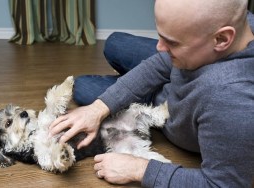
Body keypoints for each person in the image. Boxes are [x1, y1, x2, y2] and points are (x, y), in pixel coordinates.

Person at [49, 0, 254, 187]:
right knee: (114, 42)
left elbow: (224, 184)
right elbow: (160, 63)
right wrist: (98, 108)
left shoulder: (231, 100)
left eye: (172, 42)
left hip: (164, 106)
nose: (159, 47)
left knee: (83, 86)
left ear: (221, 39)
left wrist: (140, 169)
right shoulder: (242, 22)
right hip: (177, 78)